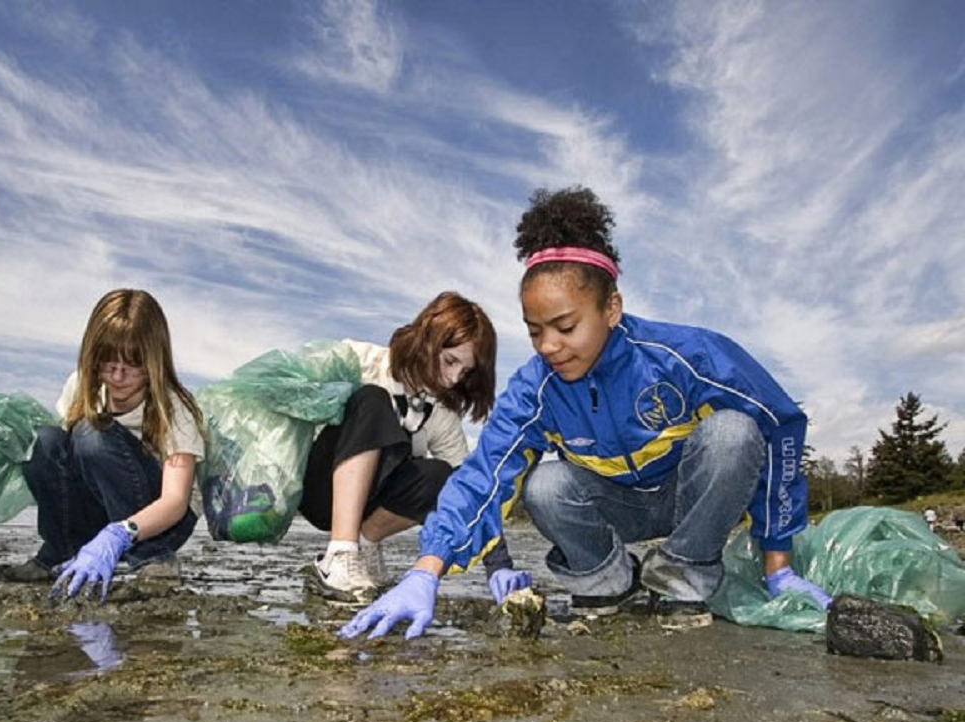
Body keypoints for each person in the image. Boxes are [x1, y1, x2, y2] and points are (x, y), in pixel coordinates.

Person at [342, 186, 831, 640]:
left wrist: (778, 564)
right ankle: (609, 581)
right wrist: (425, 571)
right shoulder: (535, 389)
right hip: (614, 508)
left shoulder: (685, 355)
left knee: (734, 433)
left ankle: (681, 574)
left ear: (611, 309)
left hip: (689, 500)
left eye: (566, 326)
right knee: (543, 484)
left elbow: (780, 425)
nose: (549, 346)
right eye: (535, 331)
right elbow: (483, 476)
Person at [0, 288, 204, 601]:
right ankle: (60, 552)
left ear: (155, 360)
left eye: (133, 365)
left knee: (92, 434)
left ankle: (153, 559)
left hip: (162, 523)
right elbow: (61, 464)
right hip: (103, 511)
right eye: (107, 363)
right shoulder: (81, 386)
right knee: (44, 441)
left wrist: (119, 534)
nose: (117, 376)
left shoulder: (174, 407)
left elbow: (175, 501)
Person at [302, 291, 497, 603]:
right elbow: (285, 391)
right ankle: (339, 552)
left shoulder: (441, 413)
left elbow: (469, 486)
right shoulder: (358, 360)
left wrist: (499, 566)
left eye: (464, 372)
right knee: (374, 401)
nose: (451, 380)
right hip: (317, 489)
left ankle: (364, 546)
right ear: (427, 339)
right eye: (449, 361)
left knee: (444, 476)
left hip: (369, 502)